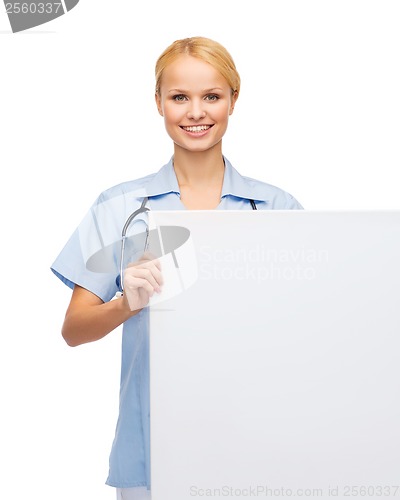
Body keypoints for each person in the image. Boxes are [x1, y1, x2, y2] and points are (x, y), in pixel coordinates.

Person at [51, 36, 303, 500]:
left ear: (233, 100)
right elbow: (74, 330)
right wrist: (128, 302)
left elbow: (309, 328)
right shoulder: (119, 207)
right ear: (159, 103)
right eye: (179, 97)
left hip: (257, 443)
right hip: (152, 447)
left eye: (212, 96)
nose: (196, 112)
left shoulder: (276, 208)